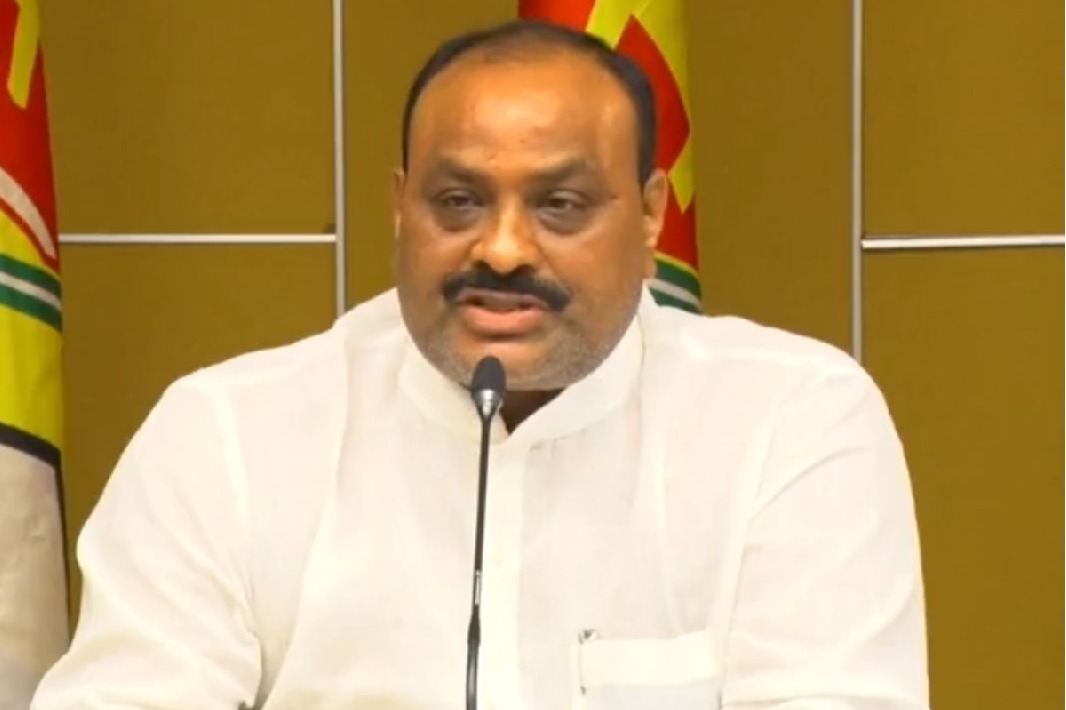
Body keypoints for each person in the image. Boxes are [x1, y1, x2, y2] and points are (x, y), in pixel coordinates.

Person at [31, 19, 929, 710]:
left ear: (652, 213)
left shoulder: (792, 423)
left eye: (561, 204)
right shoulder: (227, 436)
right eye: (458, 201)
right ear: (400, 207)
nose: (500, 249)